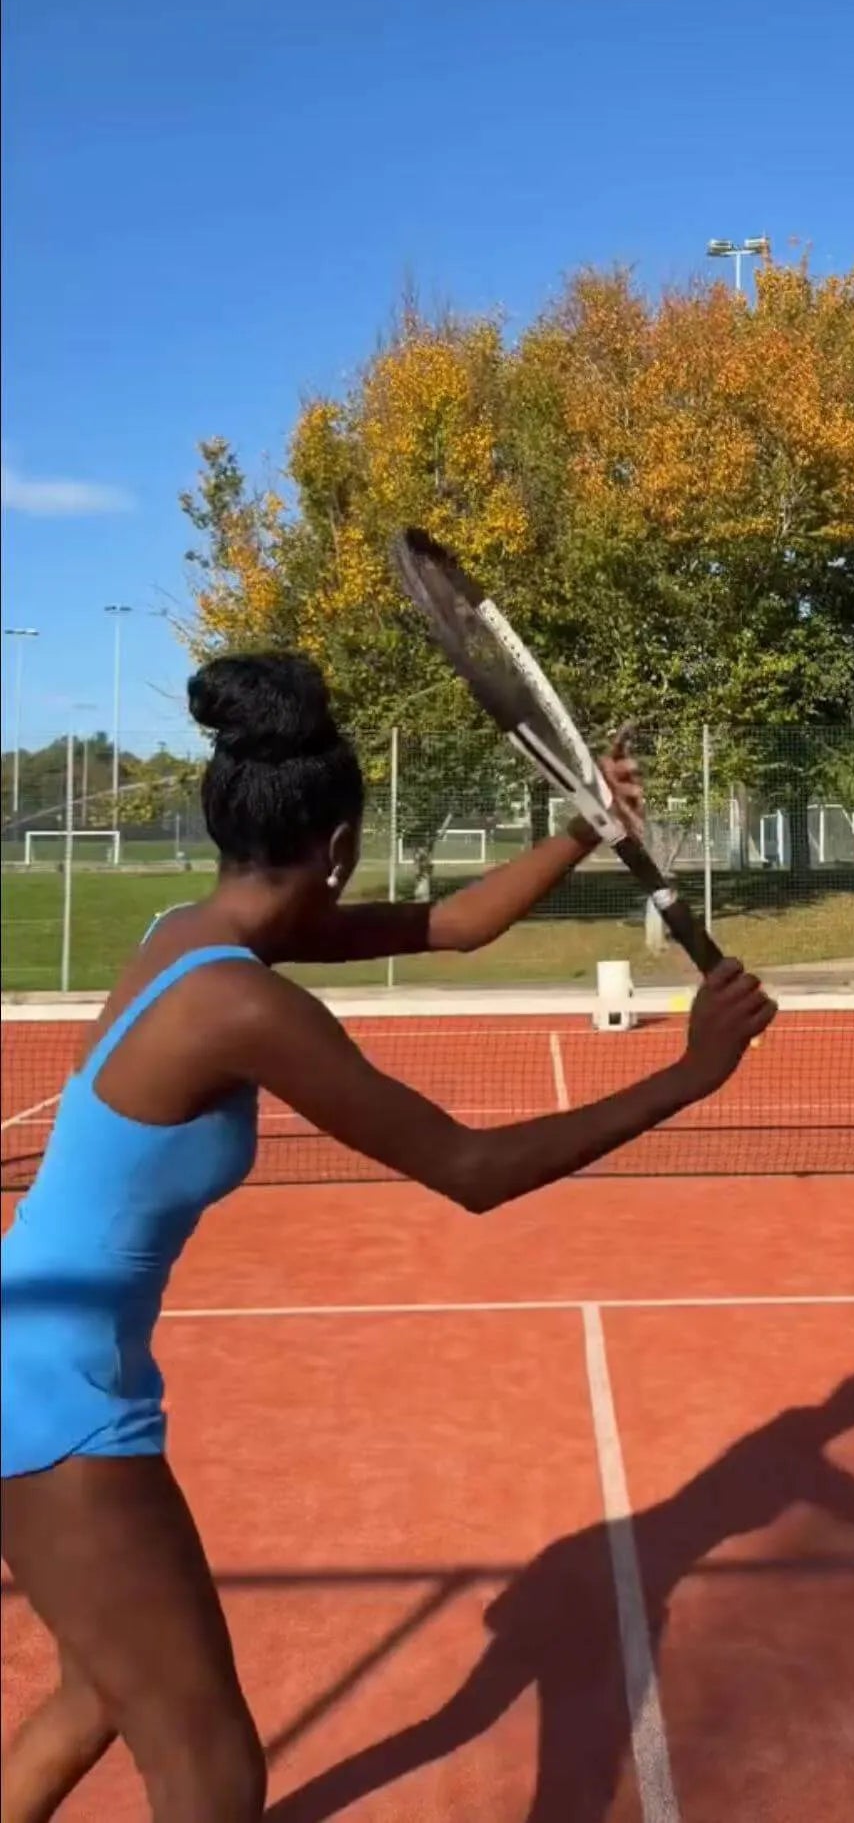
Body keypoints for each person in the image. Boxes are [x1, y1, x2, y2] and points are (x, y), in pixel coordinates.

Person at [0, 652, 776, 1823]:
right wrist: (688, 1076)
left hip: (35, 1359)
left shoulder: (193, 932)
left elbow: (452, 924)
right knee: (211, 1771)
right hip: (52, 1398)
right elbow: (468, 1171)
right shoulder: (241, 1002)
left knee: (99, 1698)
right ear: (341, 844)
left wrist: (582, 831)